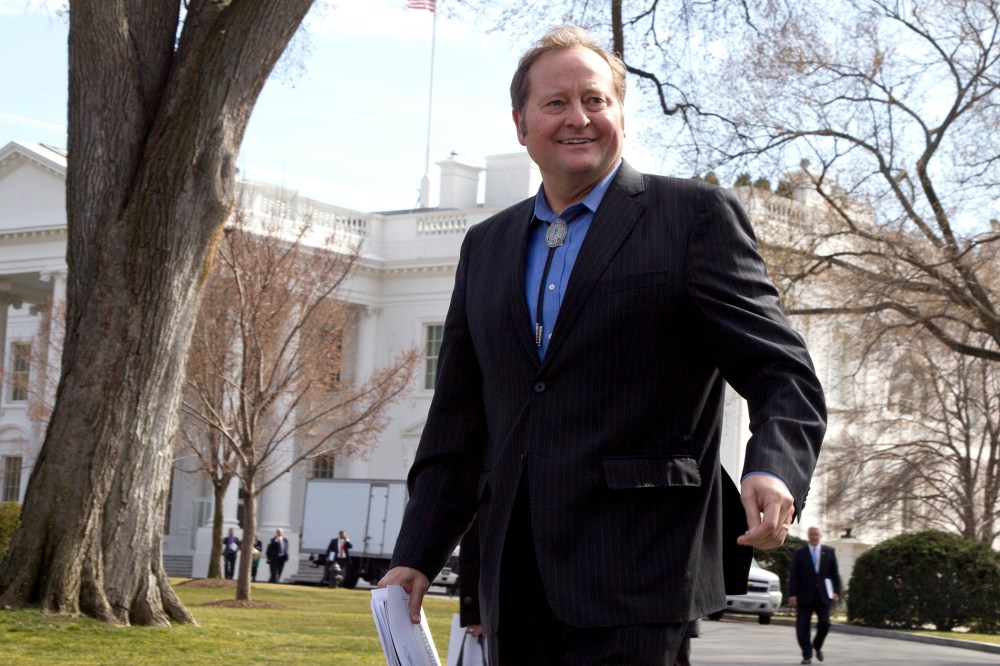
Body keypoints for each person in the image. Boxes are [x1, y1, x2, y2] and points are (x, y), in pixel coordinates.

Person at [380, 24, 826, 664]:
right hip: (514, 580)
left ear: (620, 113)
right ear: (521, 122)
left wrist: (772, 465)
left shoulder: (692, 218)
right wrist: (415, 556)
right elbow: (457, 422)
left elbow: (781, 371)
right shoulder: (485, 248)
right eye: (556, 103)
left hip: (640, 572)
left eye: (596, 100)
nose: (578, 119)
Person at [789, 527, 842, 664]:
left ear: (820, 536)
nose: (814, 537)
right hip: (804, 596)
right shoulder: (799, 553)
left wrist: (836, 591)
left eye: (816, 534)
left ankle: (817, 646)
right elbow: (793, 576)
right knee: (802, 627)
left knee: (825, 623)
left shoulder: (829, 552)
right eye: (811, 534)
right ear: (808, 536)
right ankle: (807, 655)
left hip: (823, 596)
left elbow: (834, 574)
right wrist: (792, 594)